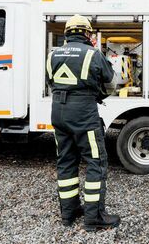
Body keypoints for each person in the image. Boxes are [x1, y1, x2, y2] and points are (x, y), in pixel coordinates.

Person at [46, 14, 119, 231]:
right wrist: (95, 94)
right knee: (96, 162)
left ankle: (68, 213)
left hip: (58, 112)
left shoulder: (52, 54)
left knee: (66, 161)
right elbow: (111, 82)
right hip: (83, 113)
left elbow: (51, 82)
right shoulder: (93, 54)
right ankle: (94, 217)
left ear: (67, 33)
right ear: (87, 33)